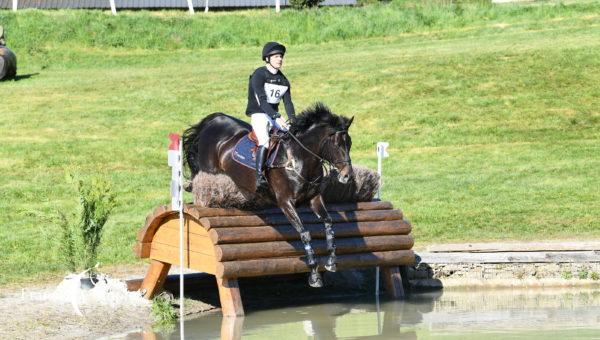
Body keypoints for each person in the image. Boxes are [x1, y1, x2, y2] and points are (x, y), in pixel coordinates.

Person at [245, 41, 296, 188]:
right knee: (265, 141)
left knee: (291, 136)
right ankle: (259, 177)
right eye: (276, 56)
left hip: (273, 114)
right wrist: (275, 116)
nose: (280, 59)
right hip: (259, 113)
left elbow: (288, 103)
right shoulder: (258, 75)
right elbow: (261, 101)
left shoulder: (283, 80)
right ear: (267, 59)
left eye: (281, 56)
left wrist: (293, 120)